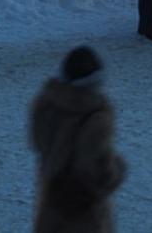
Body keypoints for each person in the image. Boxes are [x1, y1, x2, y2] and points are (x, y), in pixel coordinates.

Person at [29, 45, 127, 232]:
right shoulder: (96, 119)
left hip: (51, 206)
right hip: (83, 216)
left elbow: (38, 142)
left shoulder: (45, 104)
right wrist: (119, 168)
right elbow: (100, 175)